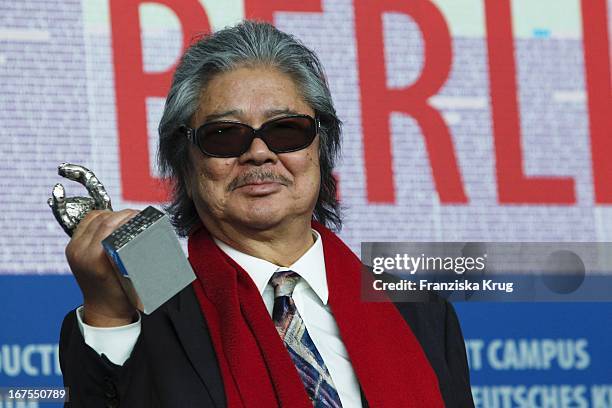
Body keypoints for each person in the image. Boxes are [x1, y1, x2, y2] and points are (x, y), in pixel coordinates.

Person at [58, 20, 474, 407]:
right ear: (184, 163)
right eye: (224, 135)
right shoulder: (151, 303)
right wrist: (110, 310)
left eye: (286, 130)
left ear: (320, 149)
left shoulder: (418, 310)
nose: (259, 152)